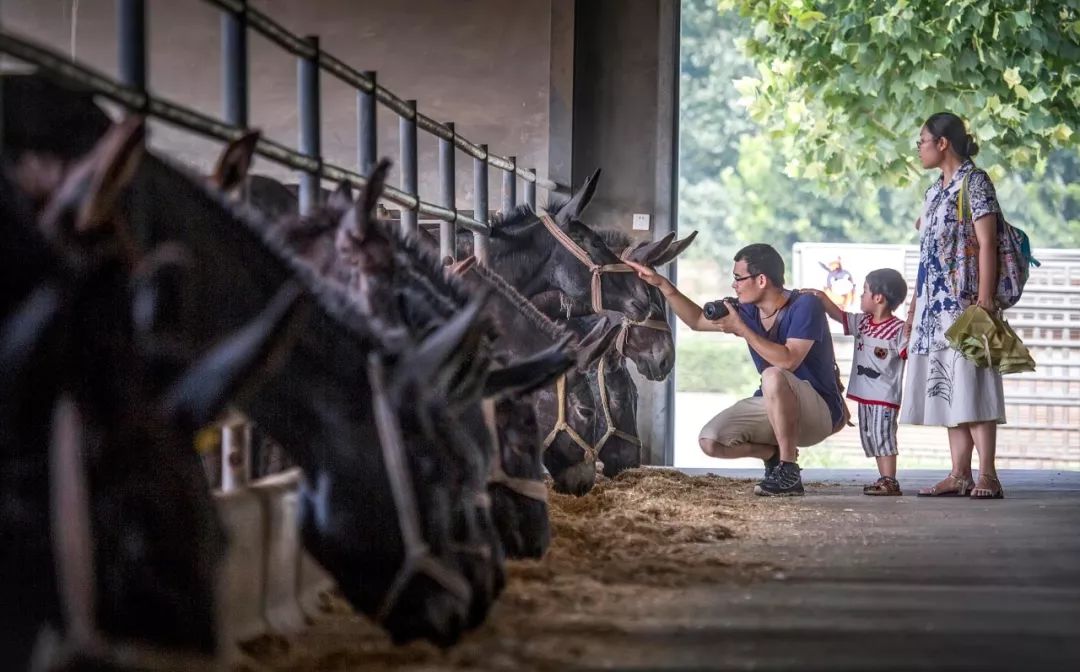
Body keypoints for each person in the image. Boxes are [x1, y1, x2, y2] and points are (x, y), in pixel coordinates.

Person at [625, 244, 845, 497]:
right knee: (712, 441)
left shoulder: (806, 305)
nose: (734, 285)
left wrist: (741, 328)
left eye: (738, 278)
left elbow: (788, 361)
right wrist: (663, 285)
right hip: (776, 403)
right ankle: (771, 454)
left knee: (773, 374)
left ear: (761, 280)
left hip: (819, 412)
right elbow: (697, 320)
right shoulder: (748, 310)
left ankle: (788, 470)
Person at [903, 112, 1006, 500]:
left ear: (942, 143)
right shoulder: (934, 192)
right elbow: (927, 254)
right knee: (948, 385)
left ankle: (988, 475)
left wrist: (983, 300)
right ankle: (959, 473)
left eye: (922, 141)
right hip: (933, 306)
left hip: (965, 300)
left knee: (974, 383)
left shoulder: (975, 183)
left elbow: (987, 245)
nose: (919, 148)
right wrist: (915, 308)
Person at [805, 269, 908, 496]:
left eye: (864, 291)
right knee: (870, 436)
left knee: (884, 436)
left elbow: (911, 353)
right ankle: (884, 479)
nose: (861, 296)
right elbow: (838, 314)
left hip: (884, 396)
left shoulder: (900, 330)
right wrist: (820, 297)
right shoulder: (862, 323)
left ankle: (890, 480)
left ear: (878, 297)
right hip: (864, 394)